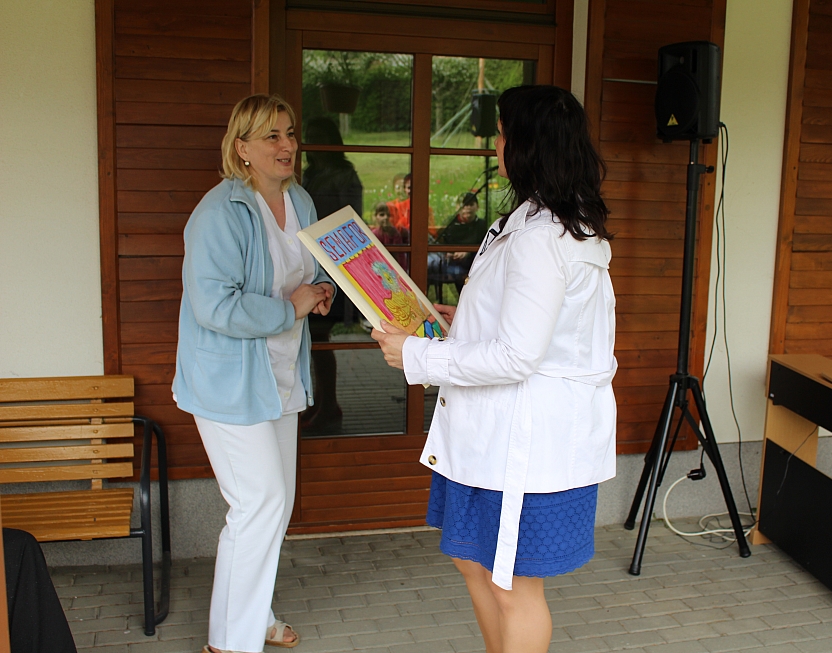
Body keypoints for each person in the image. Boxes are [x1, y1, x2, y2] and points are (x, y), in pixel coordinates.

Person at [372, 85, 616, 653]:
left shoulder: (542, 236)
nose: (496, 146)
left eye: (503, 135)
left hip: (525, 444)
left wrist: (416, 356)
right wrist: (459, 319)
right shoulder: (539, 220)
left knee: (511, 585)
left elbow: (517, 354)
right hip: (494, 437)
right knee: (472, 562)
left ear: (527, 145)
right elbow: (532, 324)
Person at [172, 94, 335, 653]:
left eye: (290, 133)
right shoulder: (218, 213)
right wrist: (290, 307)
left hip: (281, 375)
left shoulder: (301, 201)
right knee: (257, 504)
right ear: (241, 147)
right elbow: (213, 307)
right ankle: (229, 642)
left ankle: (257, 615)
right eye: (272, 136)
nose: (287, 145)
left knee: (274, 506)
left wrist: (320, 293)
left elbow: (308, 273)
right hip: (227, 384)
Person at [301, 116, 364, 432]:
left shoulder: (344, 175)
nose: (313, 145)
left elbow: (352, 221)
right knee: (311, 341)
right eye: (309, 137)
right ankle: (320, 403)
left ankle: (329, 407)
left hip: (331, 266)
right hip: (307, 263)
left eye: (318, 137)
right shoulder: (309, 173)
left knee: (320, 338)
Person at [430, 192, 487, 293]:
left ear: (477, 207)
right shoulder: (450, 224)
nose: (467, 208)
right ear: (457, 207)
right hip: (452, 263)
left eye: (471, 204)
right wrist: (449, 253)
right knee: (458, 273)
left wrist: (468, 252)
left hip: (473, 264)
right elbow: (441, 243)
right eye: (464, 205)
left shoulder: (482, 225)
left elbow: (485, 247)